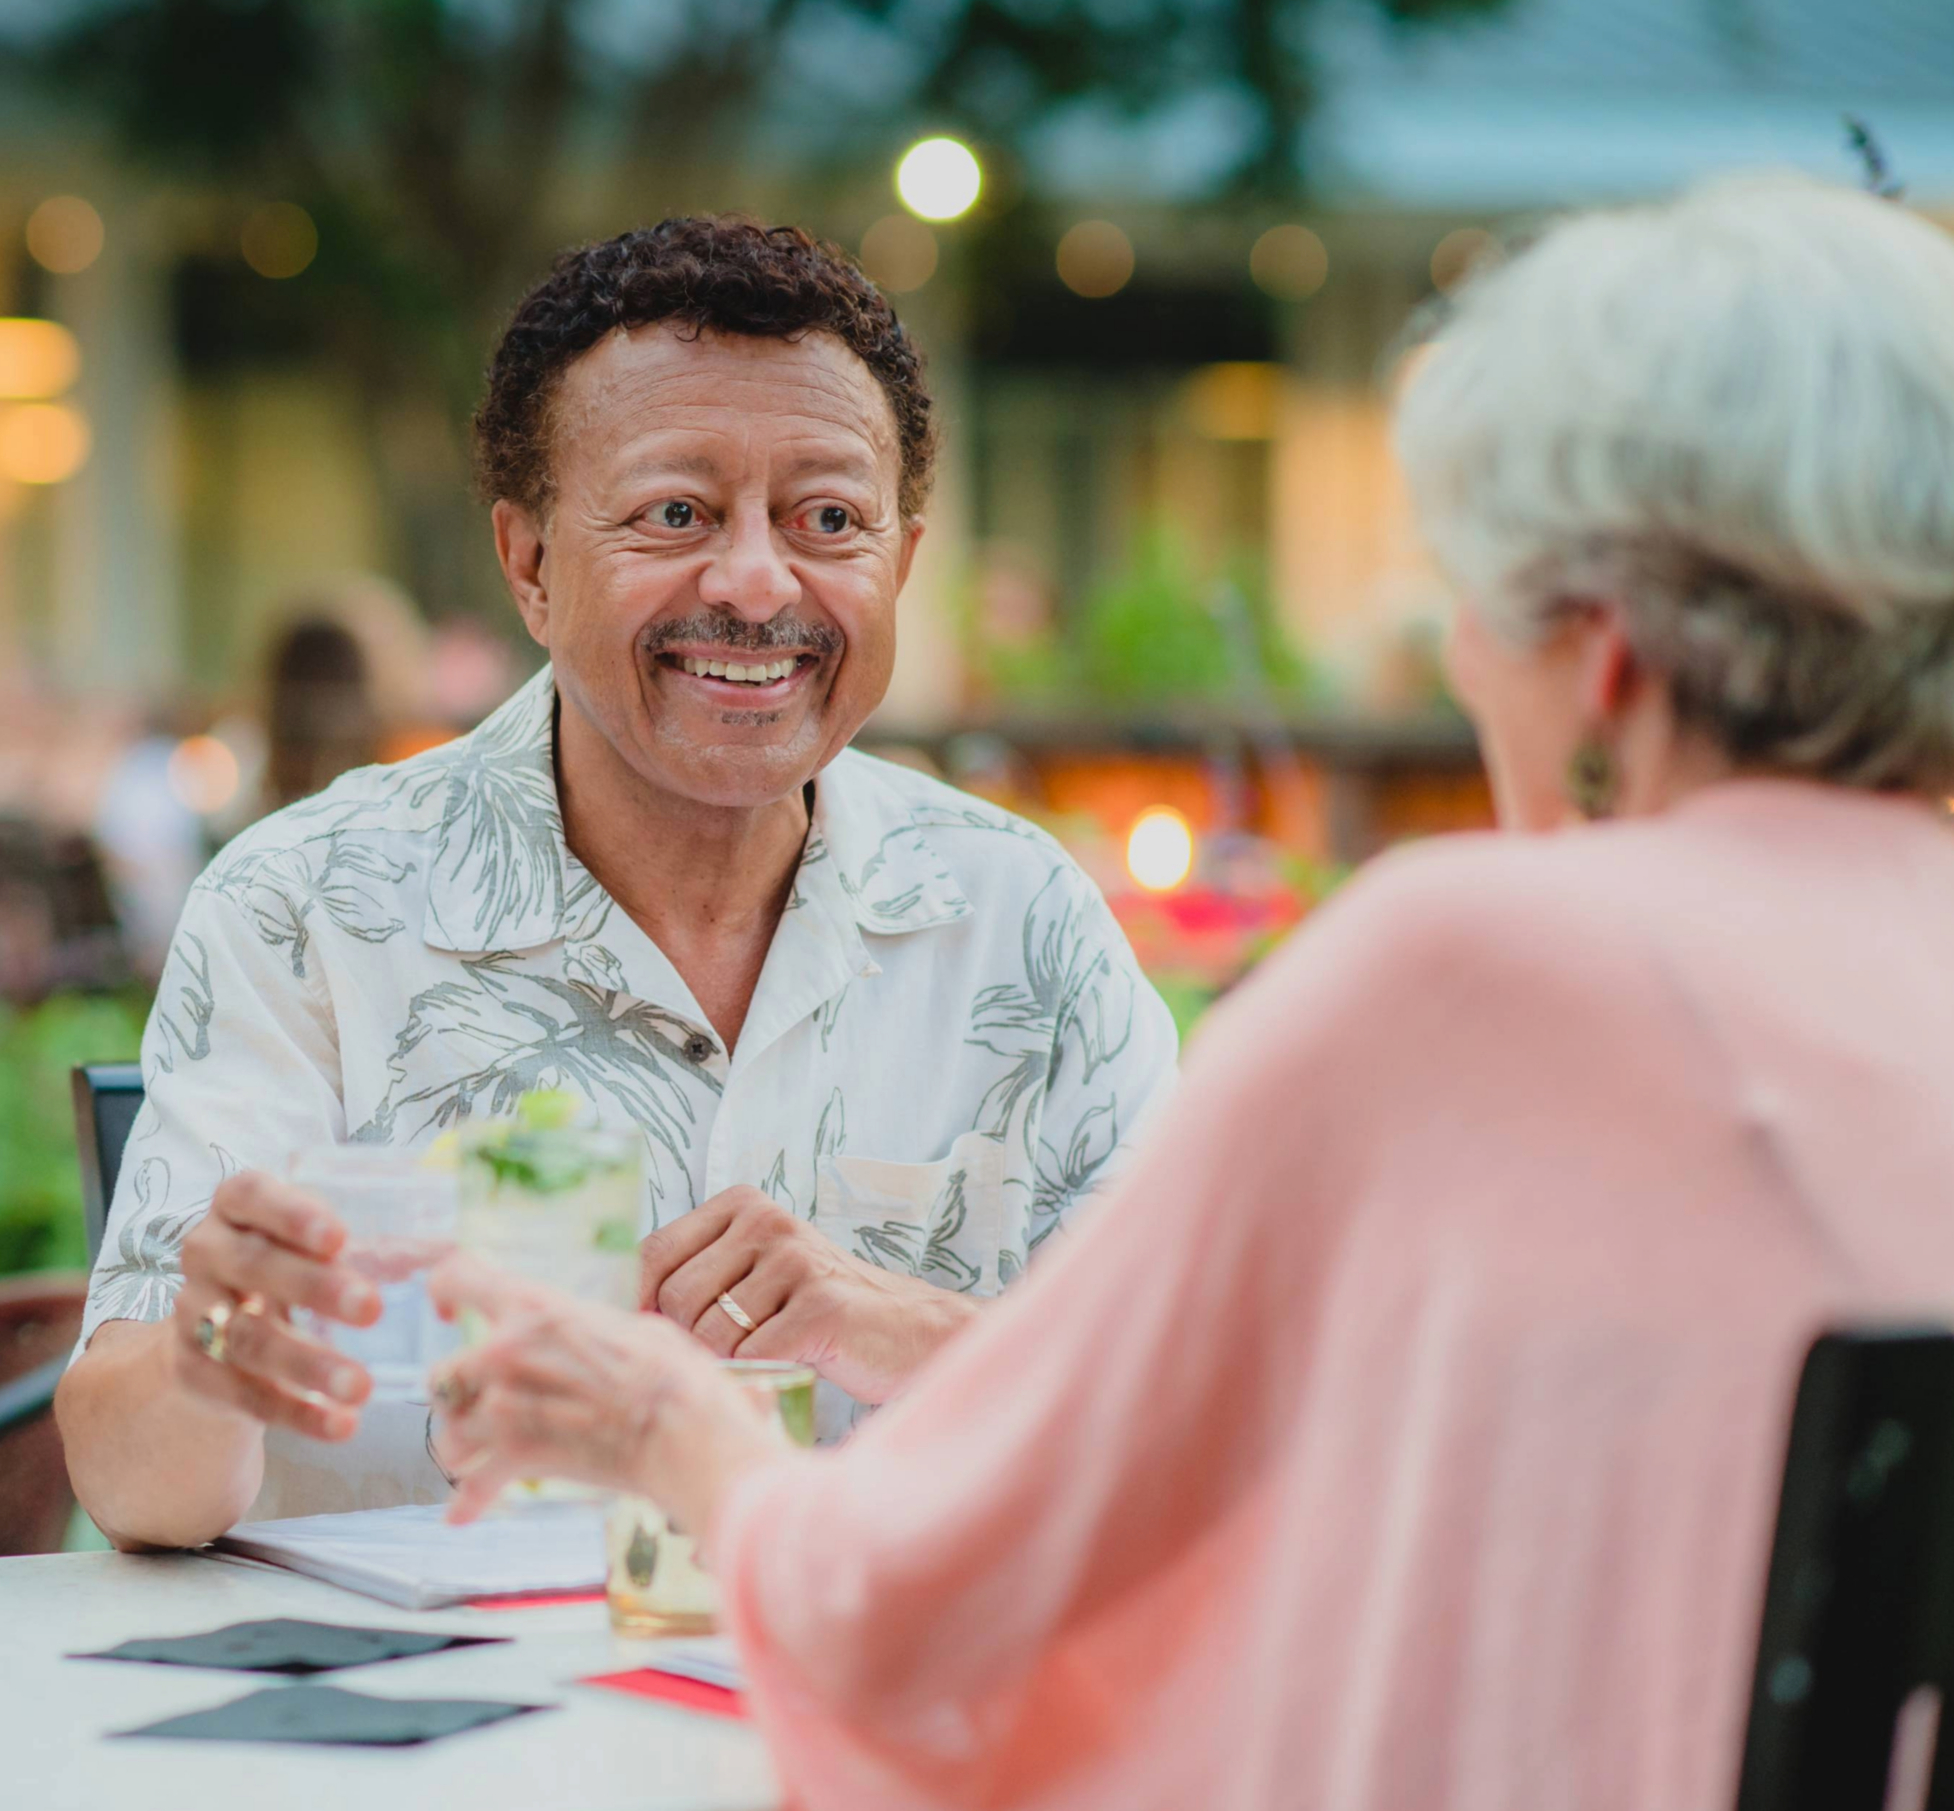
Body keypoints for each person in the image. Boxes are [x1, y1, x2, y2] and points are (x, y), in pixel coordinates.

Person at [425, 176, 1954, 1811]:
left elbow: (929, 1601)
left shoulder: (1476, 965)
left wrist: (673, 1437)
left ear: (1606, 655)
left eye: (1478, 606)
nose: (1468, 661)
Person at [57, 216, 1178, 1547]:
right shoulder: (307, 905)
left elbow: (1199, 1427)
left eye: (828, 519)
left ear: (905, 562)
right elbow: (129, 1482)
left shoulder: (1023, 920)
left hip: (873, 1722)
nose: (758, 583)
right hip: (420, 1736)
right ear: (529, 565)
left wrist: (894, 1326)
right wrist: (210, 1356)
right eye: (677, 514)